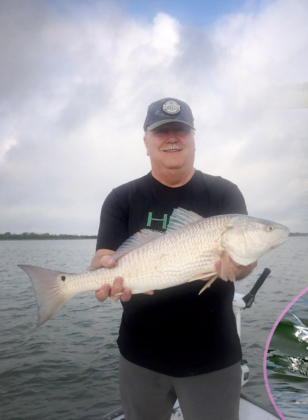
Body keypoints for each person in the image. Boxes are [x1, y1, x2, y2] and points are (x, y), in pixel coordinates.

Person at [90, 98, 255, 420]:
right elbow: (104, 255)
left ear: (192, 137)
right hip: (139, 356)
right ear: (146, 142)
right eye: (160, 131)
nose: (171, 137)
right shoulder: (122, 197)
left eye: (180, 130)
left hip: (214, 356)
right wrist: (101, 271)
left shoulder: (224, 193)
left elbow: (245, 262)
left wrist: (240, 266)